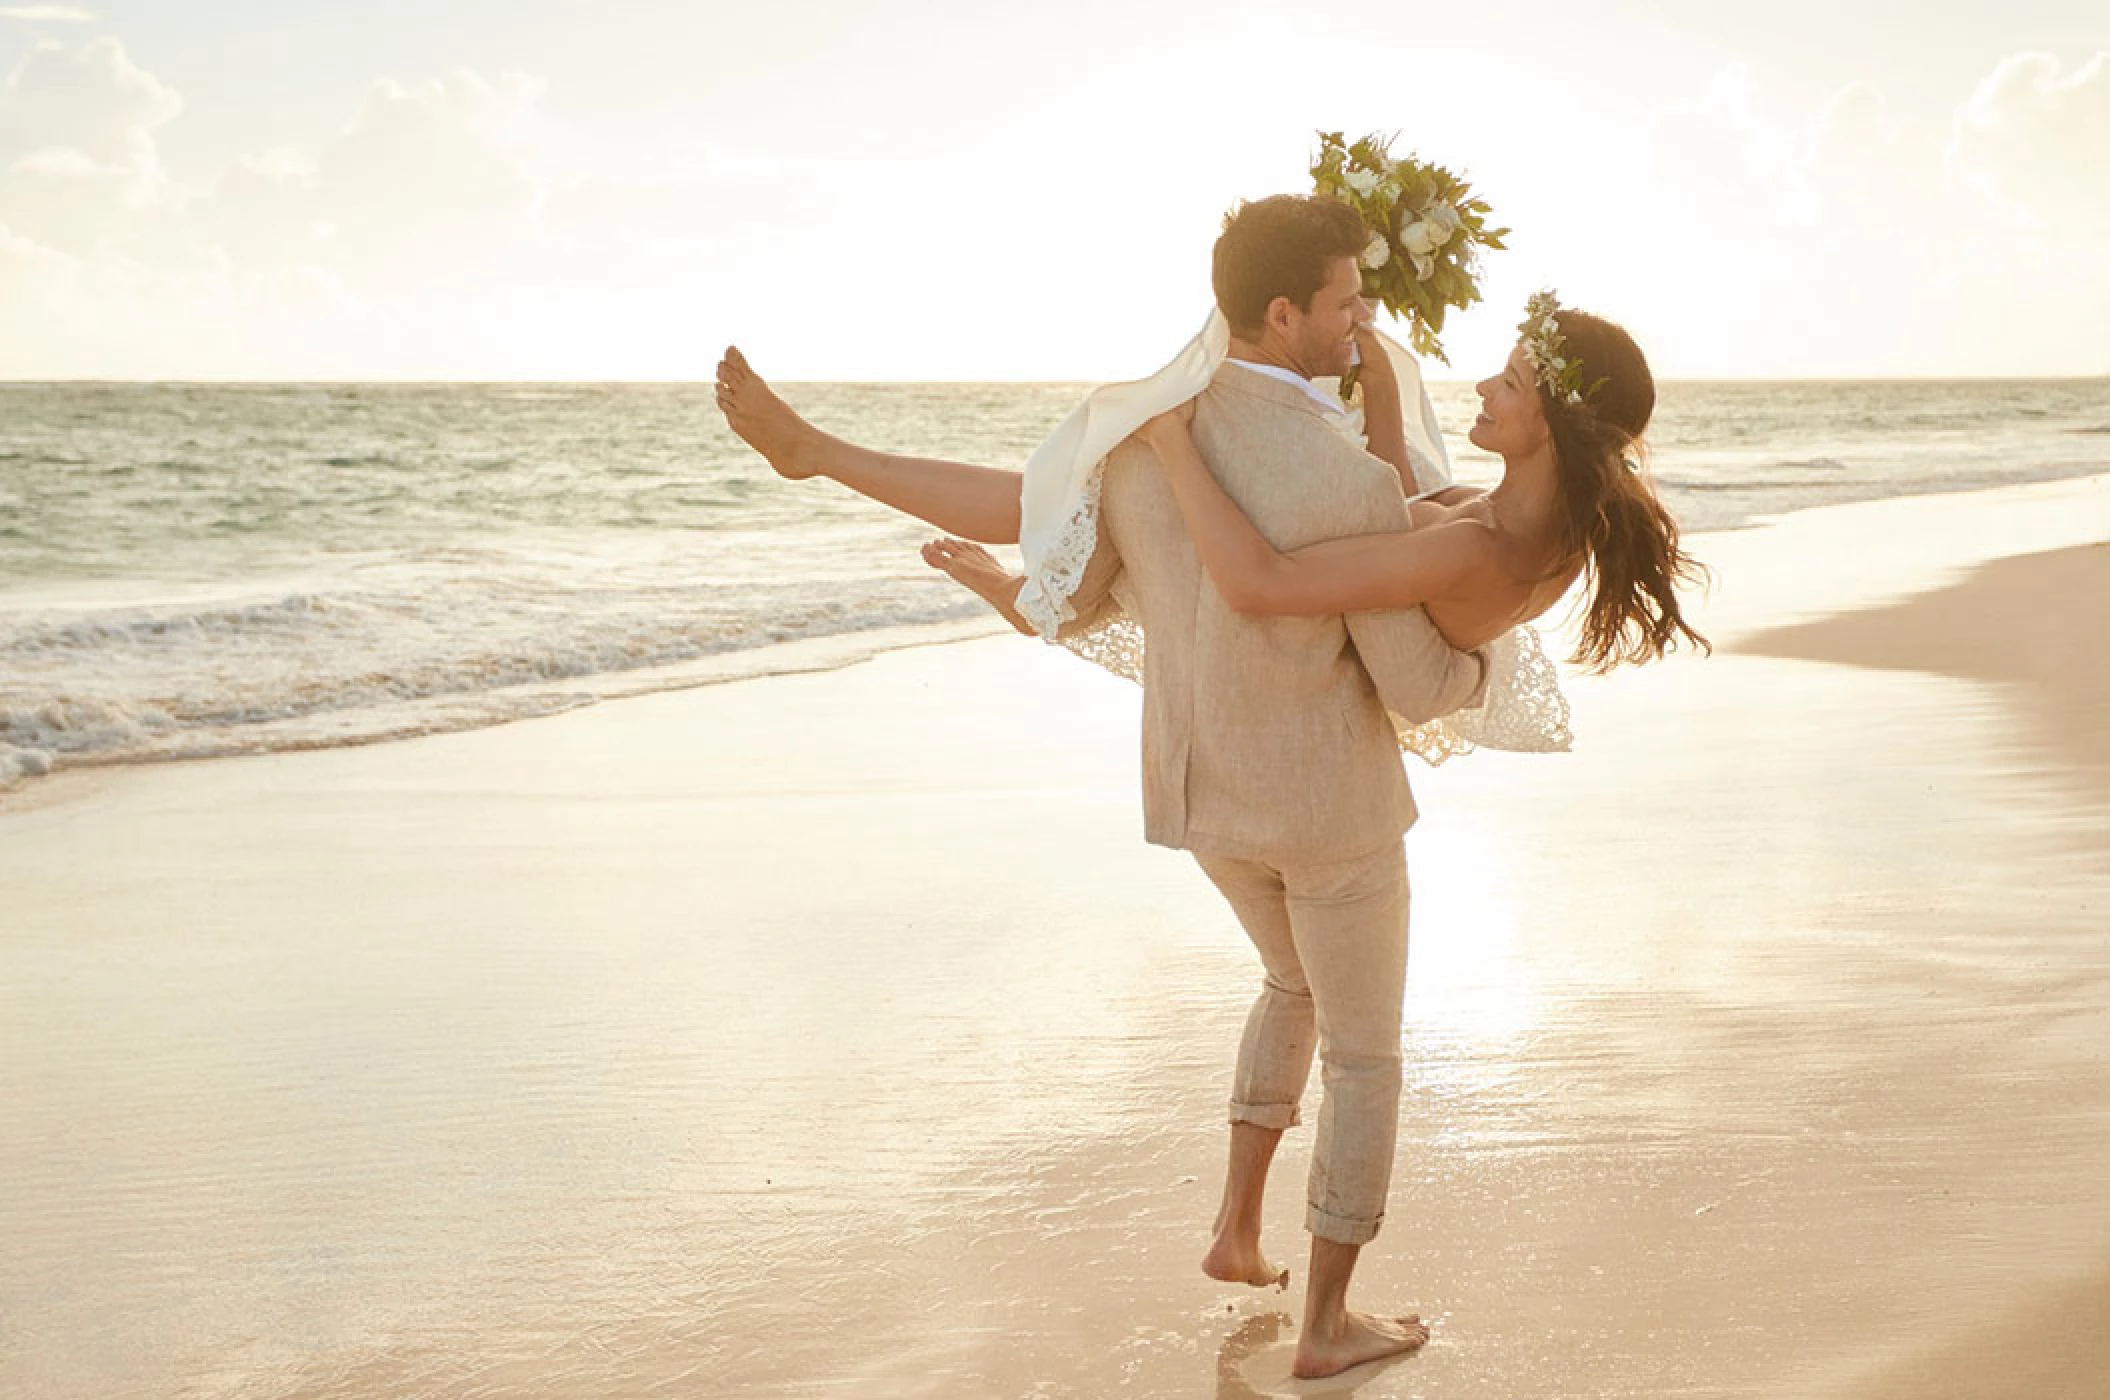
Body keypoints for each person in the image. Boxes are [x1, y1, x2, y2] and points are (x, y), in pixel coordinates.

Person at [717, 194, 1490, 1379]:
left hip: (1202, 801)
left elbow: (1066, 590)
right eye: (1347, 303)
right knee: (1365, 1059)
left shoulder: (1141, 439)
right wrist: (1486, 654)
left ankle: (1237, 1231)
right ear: (1283, 313)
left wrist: (999, 585)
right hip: (1327, 811)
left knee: (1289, 982)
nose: (1363, 322)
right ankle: (1330, 1321)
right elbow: (1414, 682)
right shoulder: (1348, 479)